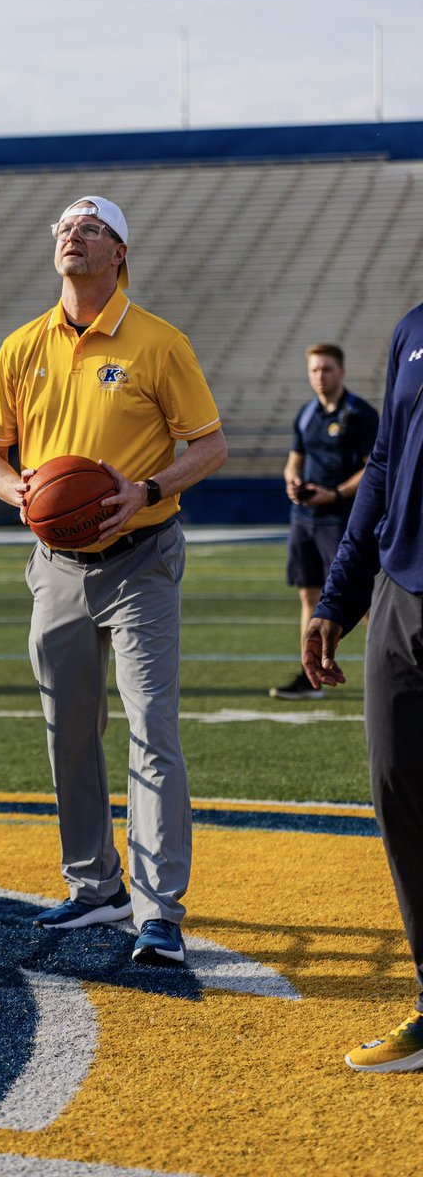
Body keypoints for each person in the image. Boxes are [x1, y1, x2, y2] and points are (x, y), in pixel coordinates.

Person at [0, 196, 227, 966]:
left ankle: (160, 910)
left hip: (141, 557)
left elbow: (209, 446)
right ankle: (96, 886)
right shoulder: (23, 345)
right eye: (62, 230)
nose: (71, 237)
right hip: (55, 567)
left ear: (120, 251)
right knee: (69, 732)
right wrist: (18, 493)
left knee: (152, 732)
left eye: (89, 229)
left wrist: (145, 491)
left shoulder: (158, 342)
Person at [303, 301, 423, 1072]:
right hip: (400, 597)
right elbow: (383, 464)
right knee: (398, 786)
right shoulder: (413, 327)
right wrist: (339, 598)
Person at [269, 344, 378, 700]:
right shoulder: (305, 413)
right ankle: (310, 674)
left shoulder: (360, 413)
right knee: (309, 596)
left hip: (340, 519)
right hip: (304, 518)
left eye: (327, 369)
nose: (320, 376)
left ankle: (396, 666)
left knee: (359, 600)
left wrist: (334, 493)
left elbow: (373, 469)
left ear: (341, 371)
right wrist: (292, 481)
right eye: (315, 370)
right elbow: (294, 459)